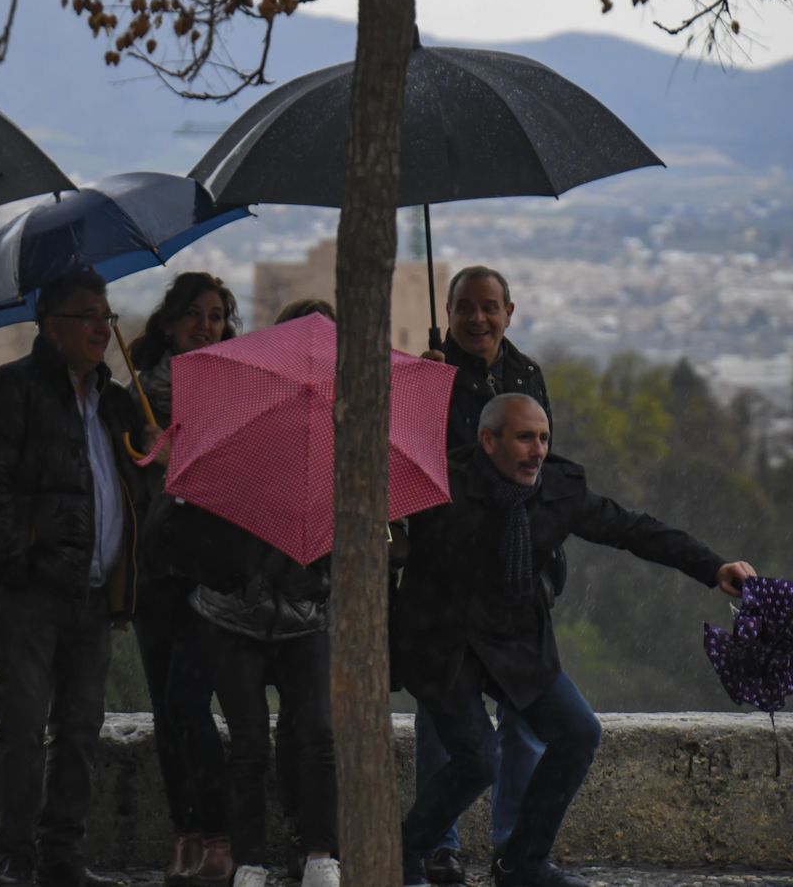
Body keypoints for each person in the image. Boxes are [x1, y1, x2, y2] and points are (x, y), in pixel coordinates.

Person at [394, 394, 756, 887]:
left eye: (543, 438)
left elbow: (633, 529)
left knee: (579, 731)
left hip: (516, 641)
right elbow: (388, 526)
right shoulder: (440, 486)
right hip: (446, 642)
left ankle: (522, 863)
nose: (537, 450)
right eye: (525, 437)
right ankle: (405, 854)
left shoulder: (558, 492)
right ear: (488, 441)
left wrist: (713, 567)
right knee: (479, 758)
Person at [0, 270, 155, 887]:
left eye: (109, 316)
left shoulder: (117, 400)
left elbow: (133, 494)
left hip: (94, 595)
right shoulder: (9, 390)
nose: (104, 328)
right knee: (21, 728)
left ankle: (63, 856)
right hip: (28, 596)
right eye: (89, 316)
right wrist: (22, 565)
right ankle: (17, 859)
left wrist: (153, 457)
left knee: (79, 729)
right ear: (51, 327)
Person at [181, 297, 341, 887]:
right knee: (248, 742)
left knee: (318, 734)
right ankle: (251, 858)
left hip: (304, 610)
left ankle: (320, 850)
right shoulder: (240, 420)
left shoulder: (344, 430)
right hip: (234, 613)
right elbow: (197, 529)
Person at [414, 265, 555, 886]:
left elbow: (538, 465)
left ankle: (511, 843)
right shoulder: (429, 378)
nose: (477, 319)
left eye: (489, 307)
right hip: (450, 575)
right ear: (448, 313)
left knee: (525, 715)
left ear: (509, 311)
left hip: (516, 572)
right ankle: (437, 843)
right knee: (442, 717)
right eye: (465, 308)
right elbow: (425, 471)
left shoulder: (528, 377)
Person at [124, 273, 238, 887]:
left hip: (210, 574)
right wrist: (148, 457)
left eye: (217, 315)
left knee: (191, 703)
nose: (205, 325)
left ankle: (217, 833)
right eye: (194, 313)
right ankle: (185, 834)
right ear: (169, 322)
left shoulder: (233, 397)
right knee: (167, 712)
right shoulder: (136, 400)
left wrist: (187, 462)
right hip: (154, 573)